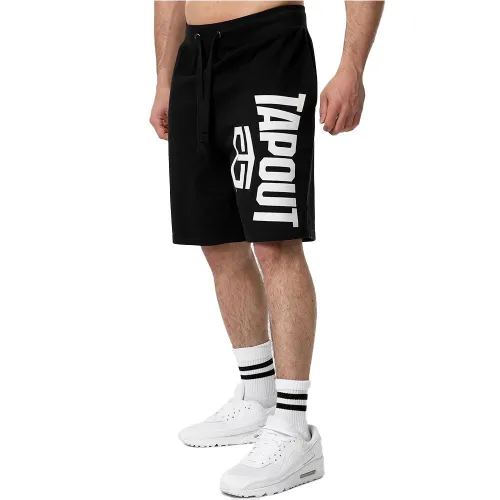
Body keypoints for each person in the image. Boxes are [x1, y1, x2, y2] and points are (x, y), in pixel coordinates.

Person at [150, 0, 384, 496]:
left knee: (274, 241)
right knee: (216, 240)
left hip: (269, 49)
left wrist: (352, 68)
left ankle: (294, 429)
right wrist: (165, 78)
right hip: (195, 56)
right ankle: (256, 397)